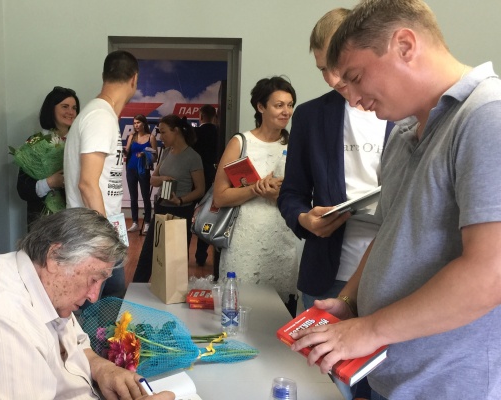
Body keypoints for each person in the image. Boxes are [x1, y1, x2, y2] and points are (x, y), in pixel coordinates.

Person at [290, 1, 501, 399]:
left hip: (451, 386)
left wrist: (368, 330)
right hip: (394, 377)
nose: (353, 99)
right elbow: (388, 236)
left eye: (355, 78)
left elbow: (490, 274)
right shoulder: (403, 135)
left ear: (404, 45)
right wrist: (349, 301)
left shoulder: (487, 115)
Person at [0, 208, 173, 400]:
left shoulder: (42, 282)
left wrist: (104, 369)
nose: (93, 295)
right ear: (55, 257)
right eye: (93, 279)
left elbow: (76, 344)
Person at [277, 11, 393, 400]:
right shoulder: (311, 116)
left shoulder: (405, 114)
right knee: (324, 387)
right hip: (329, 272)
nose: (330, 78)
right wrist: (304, 219)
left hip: (390, 275)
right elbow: (291, 192)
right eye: (321, 69)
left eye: (337, 66)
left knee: (384, 385)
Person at [213, 76, 299, 308]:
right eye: (279, 105)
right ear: (261, 107)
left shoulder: (295, 146)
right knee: (240, 307)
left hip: (281, 240)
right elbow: (220, 196)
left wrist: (278, 195)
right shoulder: (241, 143)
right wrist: (255, 189)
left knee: (280, 312)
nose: (286, 111)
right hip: (245, 242)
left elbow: (304, 197)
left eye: (290, 105)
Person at [64, 50, 139, 298]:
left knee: (112, 304)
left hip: (103, 231)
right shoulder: (100, 117)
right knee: (91, 309)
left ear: (104, 76)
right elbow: (87, 184)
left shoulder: (101, 115)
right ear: (134, 79)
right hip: (93, 237)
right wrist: (105, 239)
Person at [132, 115, 205, 283]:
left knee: (175, 260)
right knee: (148, 253)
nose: (161, 137)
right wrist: (164, 179)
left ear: (176, 131)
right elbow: (153, 179)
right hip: (161, 208)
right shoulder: (165, 152)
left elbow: (200, 190)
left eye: (164, 132)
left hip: (180, 212)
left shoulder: (193, 157)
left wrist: (180, 200)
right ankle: (136, 289)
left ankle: (173, 293)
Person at [17, 86, 79, 228]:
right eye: (65, 106)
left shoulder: (80, 142)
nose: (71, 112)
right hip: (42, 223)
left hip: (73, 221)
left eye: (74, 108)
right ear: (51, 109)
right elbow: (23, 190)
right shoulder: (35, 142)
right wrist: (50, 182)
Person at [191, 105, 219, 270]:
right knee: (206, 216)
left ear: (201, 116)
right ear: (214, 117)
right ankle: (201, 255)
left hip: (194, 178)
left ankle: (181, 254)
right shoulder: (219, 133)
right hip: (213, 177)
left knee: (188, 214)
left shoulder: (195, 133)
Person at [125, 114, 157, 234]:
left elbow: (155, 157)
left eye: (138, 122)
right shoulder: (132, 136)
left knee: (145, 197)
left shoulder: (151, 137)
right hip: (131, 169)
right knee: (133, 197)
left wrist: (145, 154)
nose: (136, 125)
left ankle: (147, 222)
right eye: (134, 123)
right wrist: (123, 150)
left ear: (144, 123)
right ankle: (135, 222)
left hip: (143, 170)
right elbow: (127, 151)